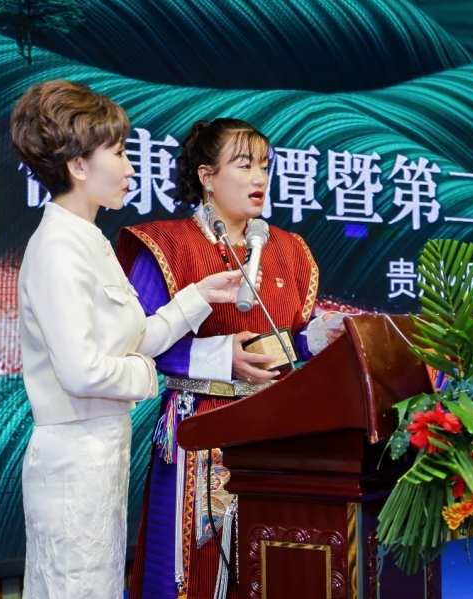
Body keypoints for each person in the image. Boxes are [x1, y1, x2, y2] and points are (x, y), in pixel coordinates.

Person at [12, 81, 247, 599]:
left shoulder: (88, 239)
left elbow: (137, 336)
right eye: (118, 153)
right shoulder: (57, 248)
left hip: (100, 454)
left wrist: (198, 296)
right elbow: (83, 371)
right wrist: (148, 375)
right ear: (78, 165)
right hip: (74, 459)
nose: (130, 167)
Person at [117, 118, 343, 599]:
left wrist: (324, 335)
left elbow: (291, 339)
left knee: (272, 562)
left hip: (277, 430)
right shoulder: (166, 245)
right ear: (207, 176)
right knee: (189, 570)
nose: (260, 177)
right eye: (244, 165)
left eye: (265, 166)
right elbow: (135, 341)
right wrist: (222, 357)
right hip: (201, 429)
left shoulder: (290, 250)